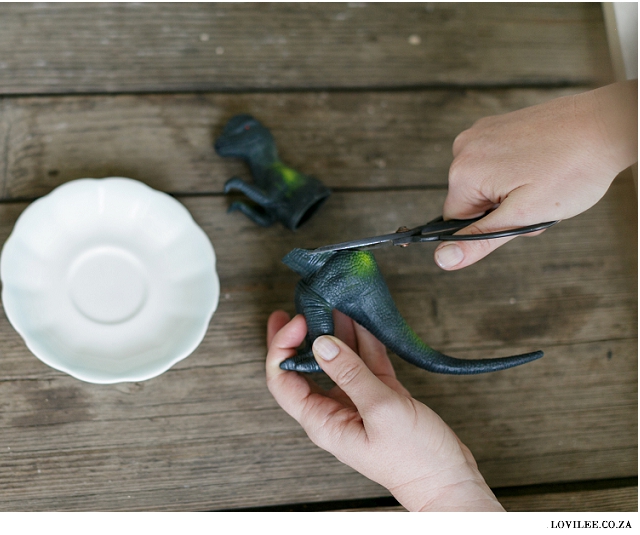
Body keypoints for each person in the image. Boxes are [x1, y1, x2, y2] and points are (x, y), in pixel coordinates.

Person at [265, 80, 637, 511]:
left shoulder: (320, 286)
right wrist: (605, 124)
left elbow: (316, 337)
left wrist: (606, 124)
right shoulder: (323, 281)